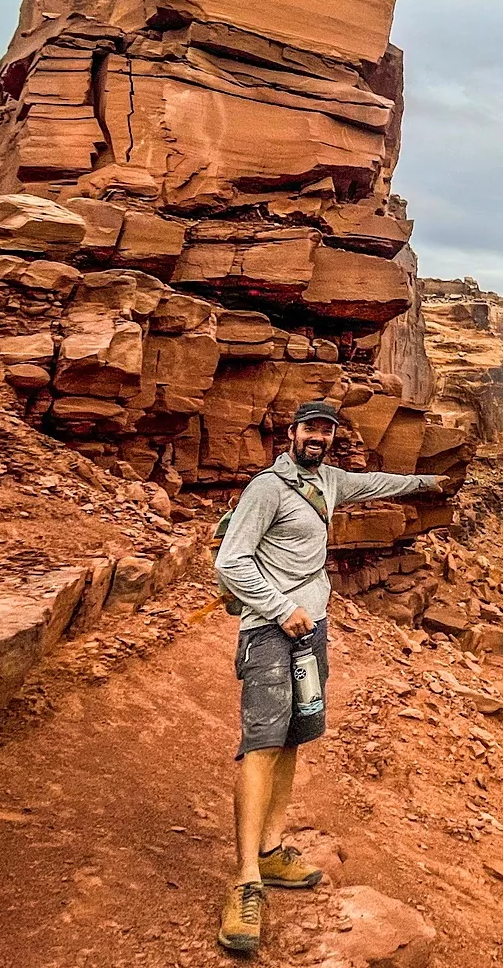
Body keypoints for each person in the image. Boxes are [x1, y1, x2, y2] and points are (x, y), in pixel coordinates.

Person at [212, 400, 448, 955]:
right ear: (292, 433)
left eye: (326, 430)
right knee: (261, 744)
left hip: (310, 627)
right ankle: (245, 880)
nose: (318, 437)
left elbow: (378, 485)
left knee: (294, 735)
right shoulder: (266, 489)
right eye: (310, 428)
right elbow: (231, 559)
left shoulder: (333, 480)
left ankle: (271, 852)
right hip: (271, 630)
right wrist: (277, 607)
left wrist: (429, 479)